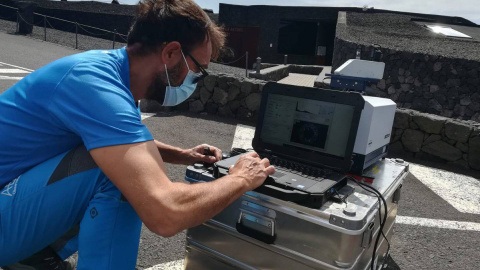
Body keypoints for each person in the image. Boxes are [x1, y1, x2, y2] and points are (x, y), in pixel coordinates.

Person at [0, 0, 275, 269]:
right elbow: (165, 213)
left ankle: (31, 256)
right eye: (198, 69)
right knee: (116, 176)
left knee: (115, 163)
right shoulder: (98, 89)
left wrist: (182, 155)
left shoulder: (104, 73)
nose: (196, 80)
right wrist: (241, 178)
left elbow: (114, 141)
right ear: (170, 53)